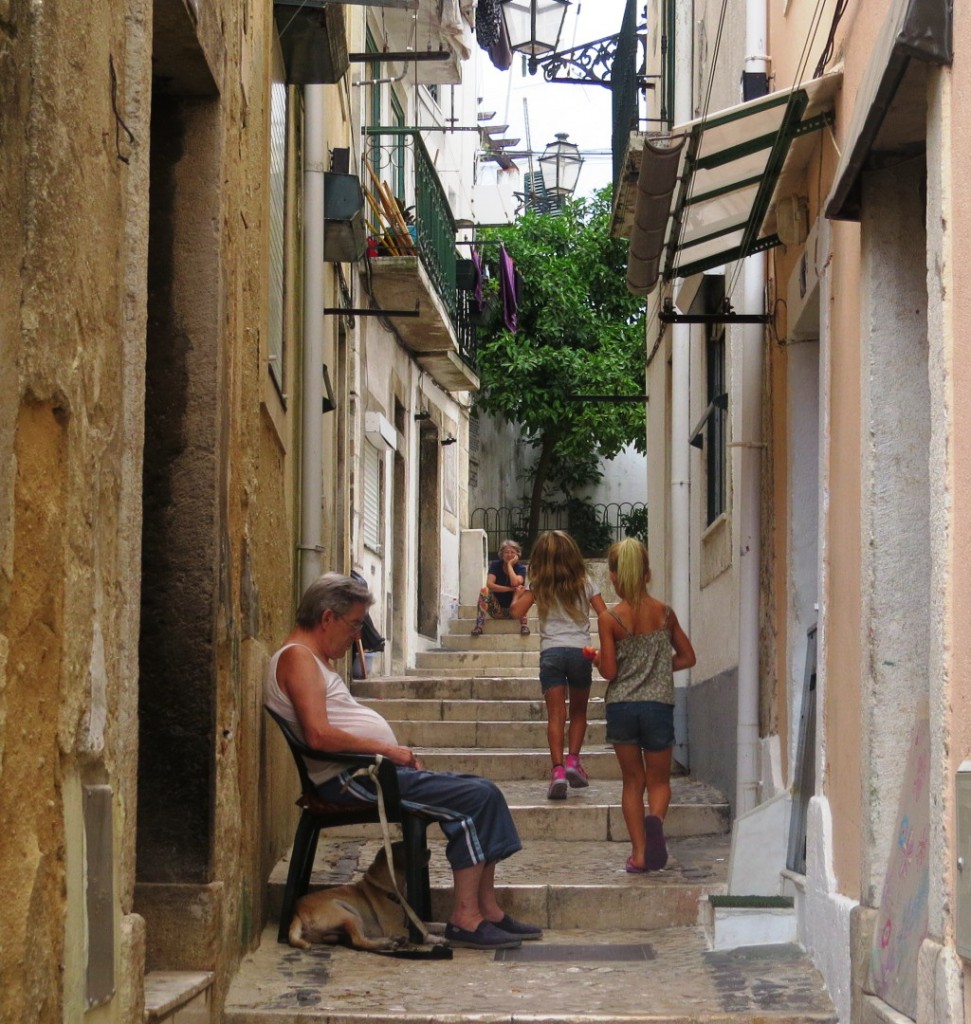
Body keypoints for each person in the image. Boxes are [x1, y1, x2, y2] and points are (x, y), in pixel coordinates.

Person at [265, 571, 542, 950]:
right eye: (355, 624)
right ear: (328, 618)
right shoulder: (298, 659)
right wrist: (389, 752)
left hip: (369, 772)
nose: (358, 636)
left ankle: (488, 911)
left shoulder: (312, 659)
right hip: (353, 778)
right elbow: (318, 735)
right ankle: (466, 917)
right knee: (475, 799)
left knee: (483, 791)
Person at [596, 538, 696, 873]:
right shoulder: (664, 614)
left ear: (614, 576)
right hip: (657, 707)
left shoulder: (610, 619)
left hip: (622, 708)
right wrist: (656, 666)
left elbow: (609, 671)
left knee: (632, 782)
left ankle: (639, 854)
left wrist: (598, 661)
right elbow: (688, 656)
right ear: (647, 573)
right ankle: (656, 819)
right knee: (659, 781)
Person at [510, 531, 607, 799]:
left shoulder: (539, 583)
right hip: (581, 653)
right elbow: (605, 615)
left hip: (551, 653)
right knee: (578, 712)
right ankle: (574, 760)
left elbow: (517, 612)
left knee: (556, 715)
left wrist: (520, 594)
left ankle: (557, 771)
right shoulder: (585, 581)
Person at [471, 539, 530, 636]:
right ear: (502, 554)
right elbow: (489, 584)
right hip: (497, 610)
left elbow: (515, 583)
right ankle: (479, 626)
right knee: (484, 590)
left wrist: (510, 566)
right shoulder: (495, 565)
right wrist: (509, 589)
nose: (509, 555)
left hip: (515, 611)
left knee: (521, 589)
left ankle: (524, 626)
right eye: (506, 552)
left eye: (512, 552)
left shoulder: (521, 568)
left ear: (517, 555)